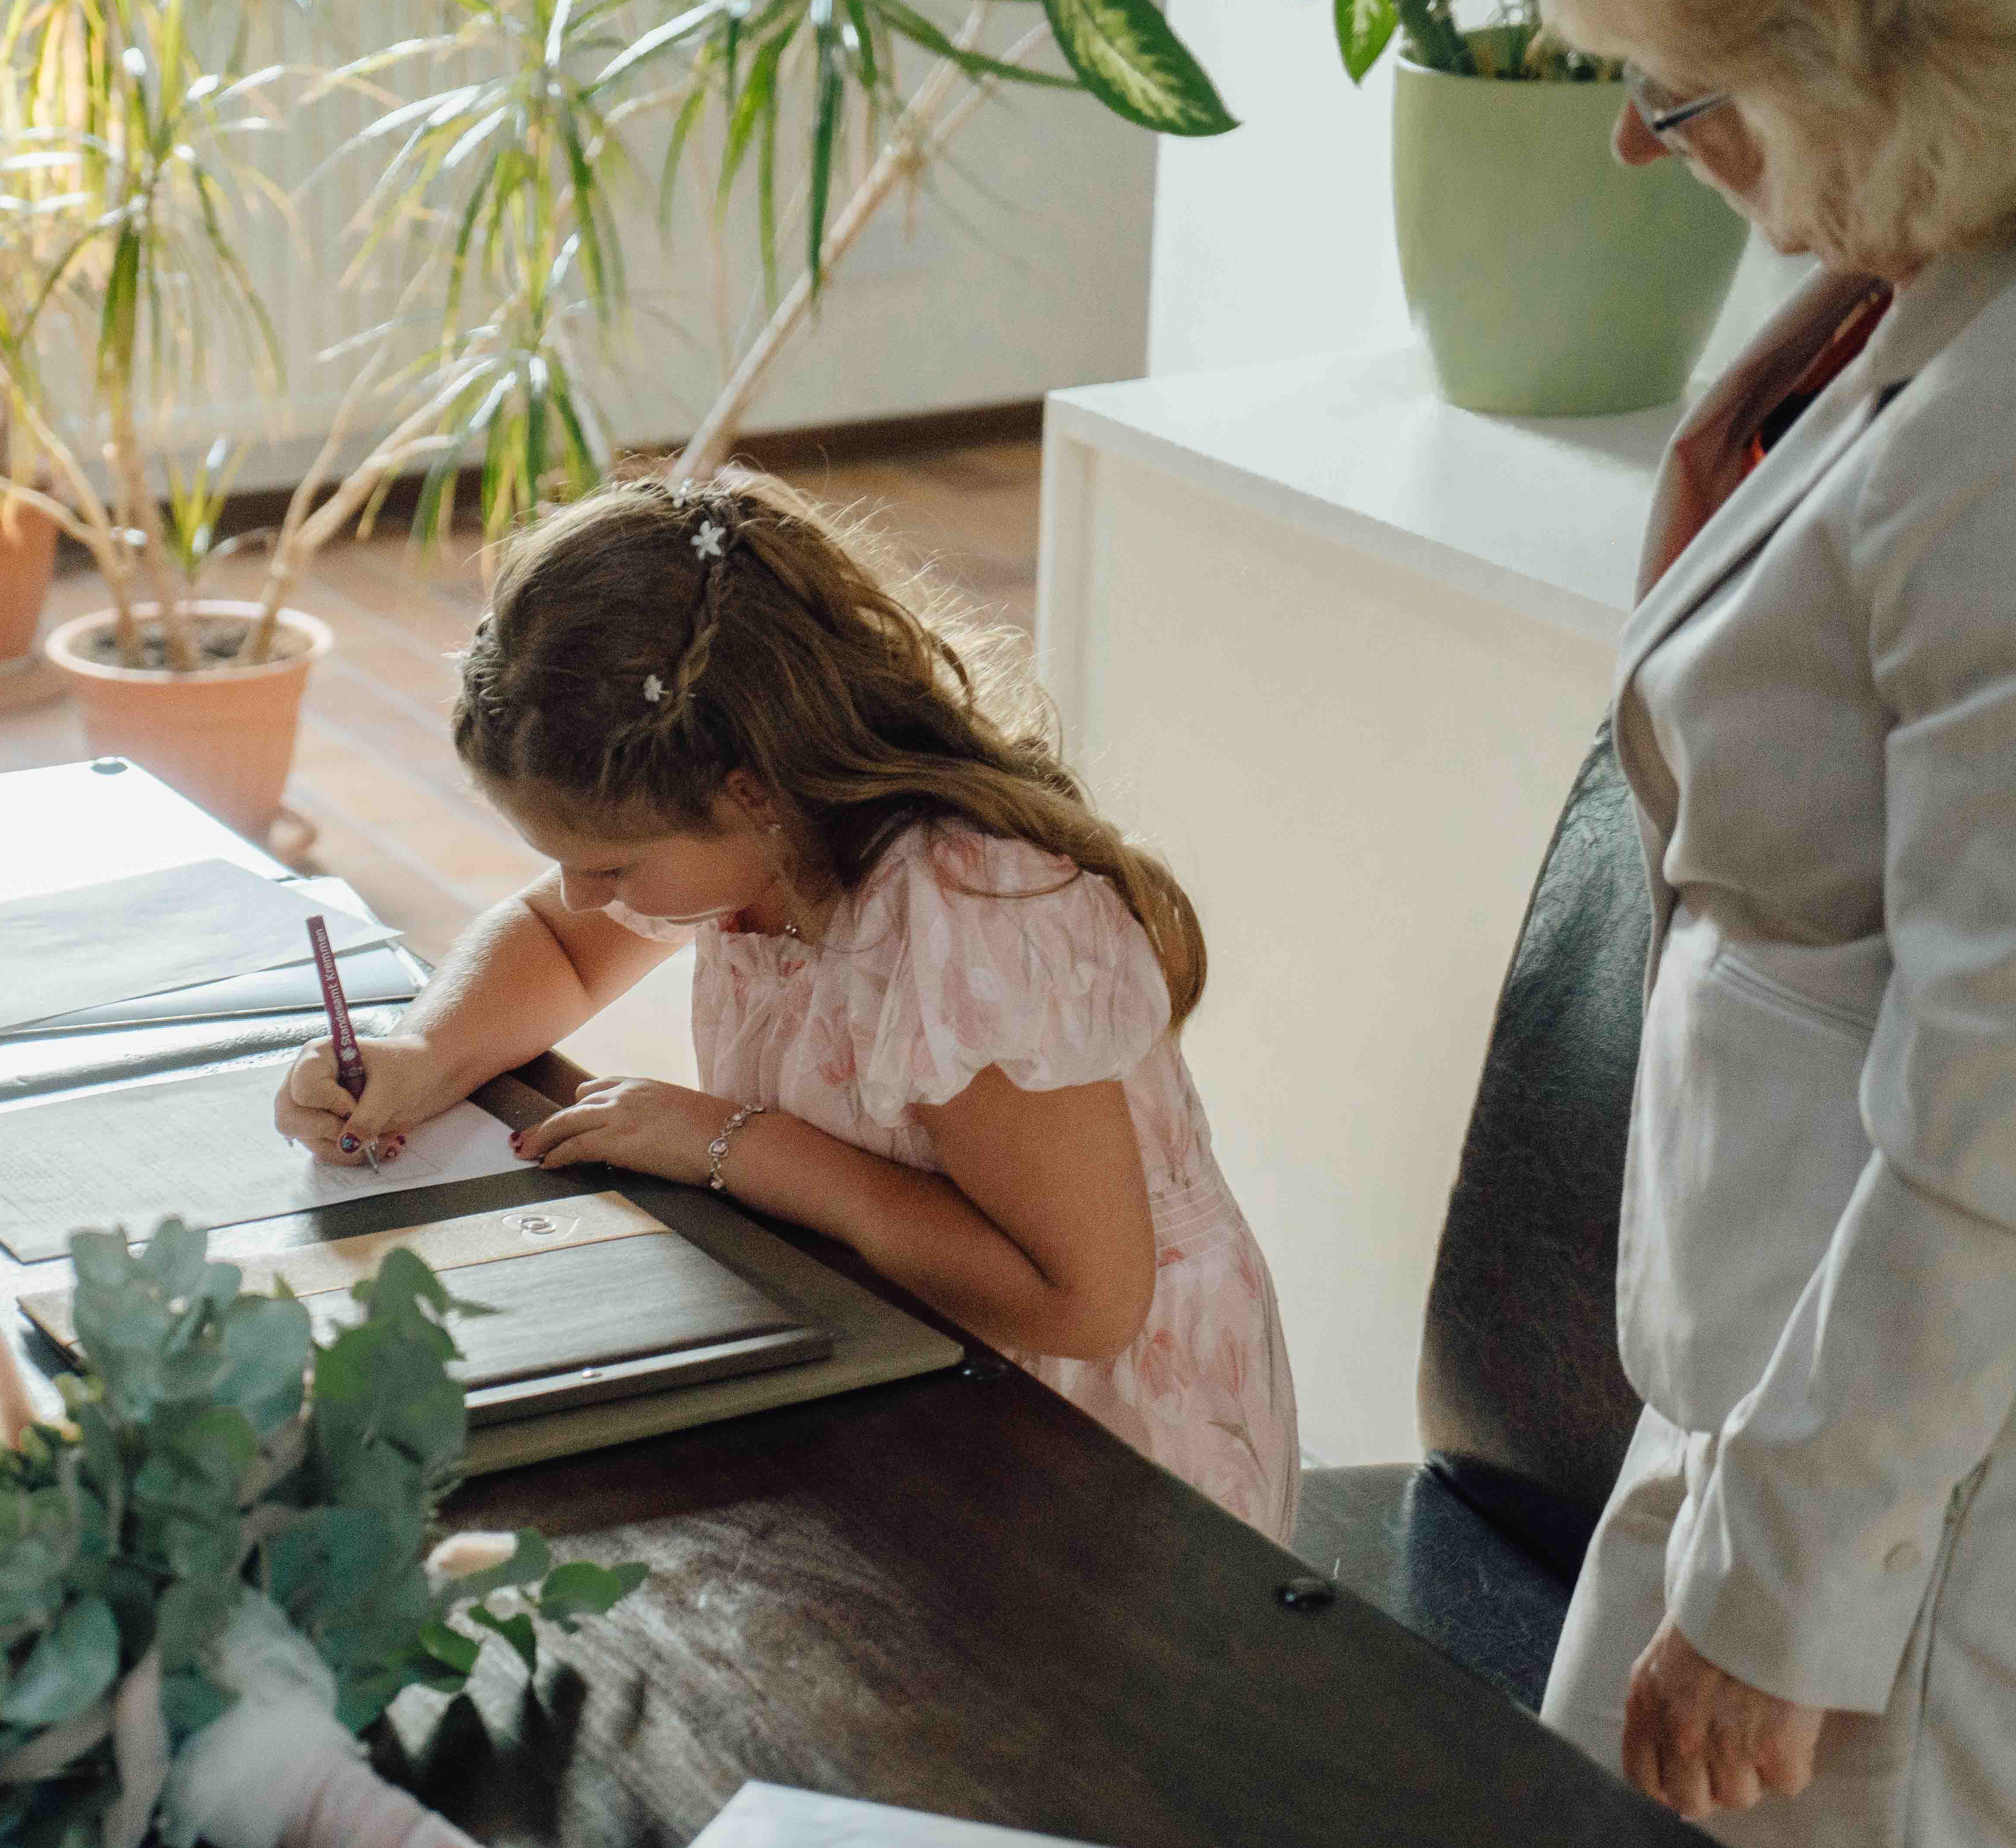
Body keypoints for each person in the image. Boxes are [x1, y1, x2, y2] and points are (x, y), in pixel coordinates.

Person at [1529, 0, 2016, 1848]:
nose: (1630, 148)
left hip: (1931, 1502)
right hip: (1767, 1380)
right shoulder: (1960, 257)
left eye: (1675, 100)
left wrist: (1784, 1587)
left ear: (1896, 76)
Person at [268, 473, 1298, 1540]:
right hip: (896, 1338)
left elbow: (1080, 1301)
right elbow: (559, 944)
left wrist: (735, 1143)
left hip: (1094, 1430)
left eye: (611, 868)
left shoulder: (969, 925)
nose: (584, 896)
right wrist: (422, 1056)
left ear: (747, 792)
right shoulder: (757, 845)